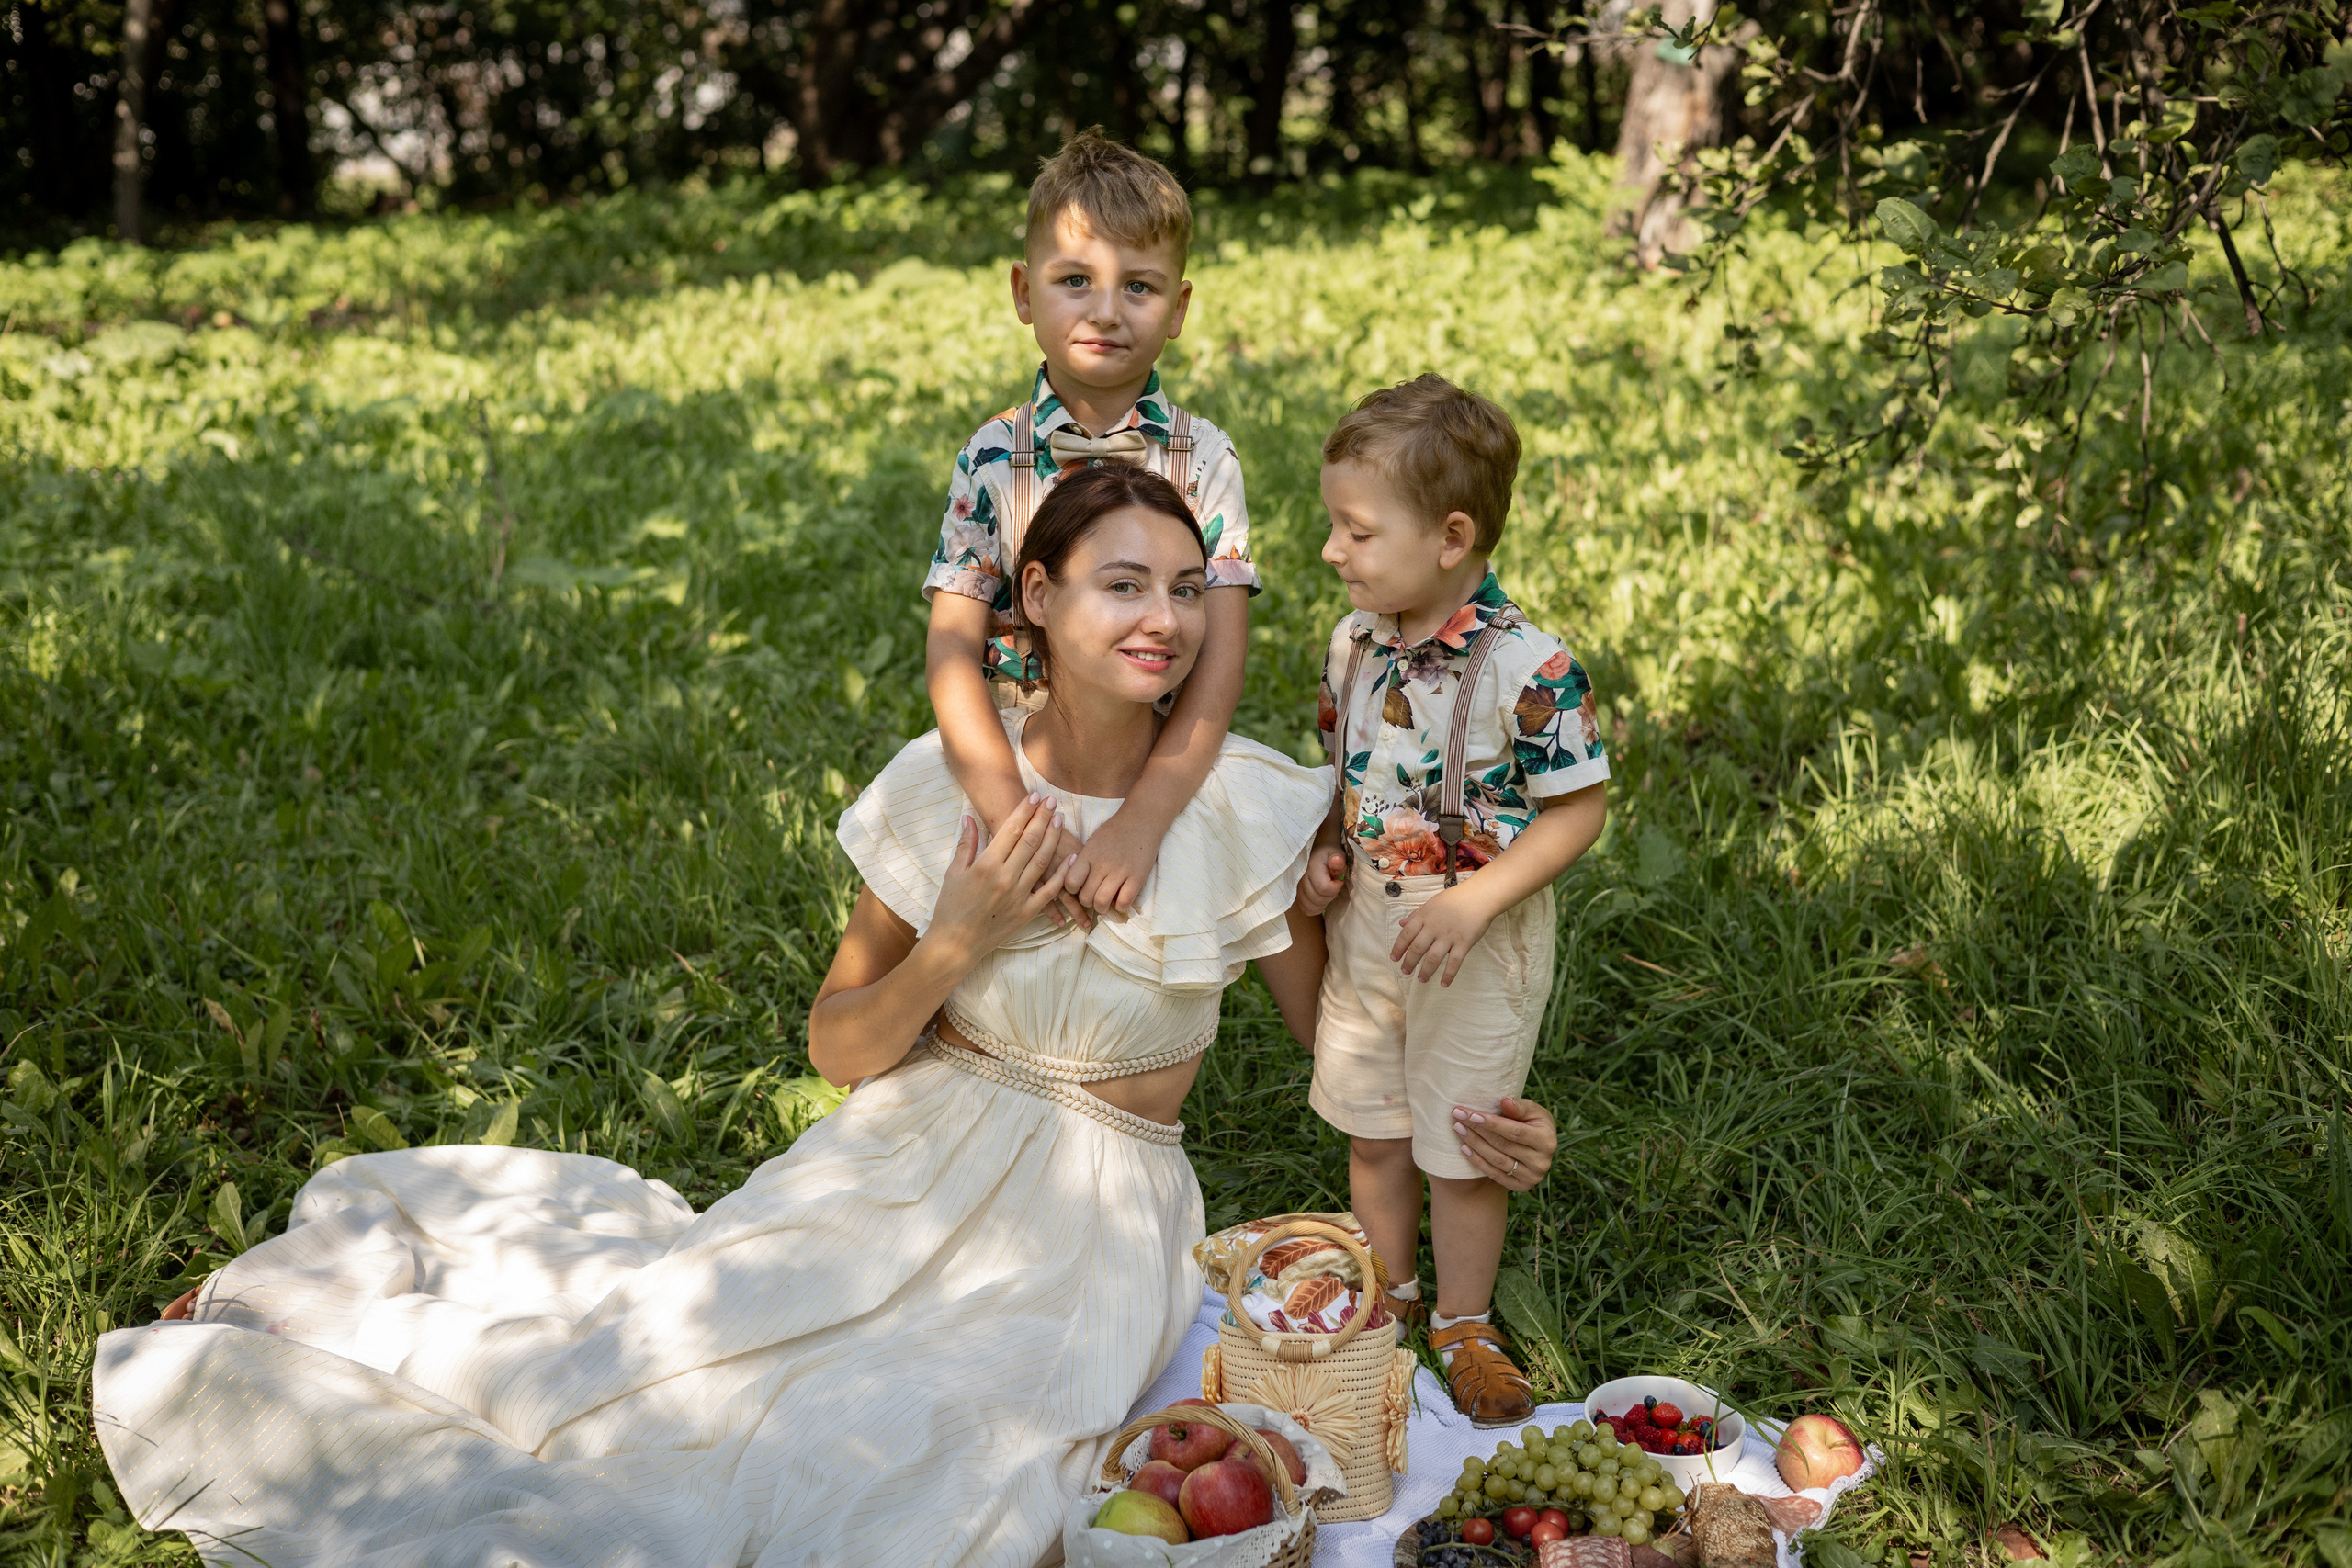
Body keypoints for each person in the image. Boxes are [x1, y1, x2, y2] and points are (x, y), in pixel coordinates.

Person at [94, 464, 1332, 1568]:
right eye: (1123, 584)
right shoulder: (938, 784)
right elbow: (840, 1046)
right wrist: (957, 938)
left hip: (1093, 1226)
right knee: (653, 1380)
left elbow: (1335, 1045)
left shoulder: (1243, 807)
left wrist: (1454, 1106)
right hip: (902, 1157)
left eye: (1184, 589)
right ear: (1042, 596)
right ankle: (317, 1333)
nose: (1163, 618)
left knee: (945, 1475)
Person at [1294, 374, 1610, 1427]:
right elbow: (1348, 773)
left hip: (1477, 941)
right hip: (1369, 928)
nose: (1334, 551)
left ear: (1450, 536)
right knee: (1373, 1124)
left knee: (1461, 1140)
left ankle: (1464, 1322)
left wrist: (1476, 903)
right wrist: (1328, 856)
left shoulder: (1531, 667)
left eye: (1356, 530)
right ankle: (1390, 1295)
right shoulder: (1352, 642)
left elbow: (1577, 812)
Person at [927, 127, 1257, 929]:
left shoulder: (1202, 457)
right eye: (1075, 279)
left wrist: (1143, 822)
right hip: (1012, 754)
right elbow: (951, 647)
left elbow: (1220, 656)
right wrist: (1015, 819)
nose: (1106, 311)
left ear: (1178, 308)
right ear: (1023, 292)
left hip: (1155, 758)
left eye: (1139, 287)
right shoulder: (992, 456)